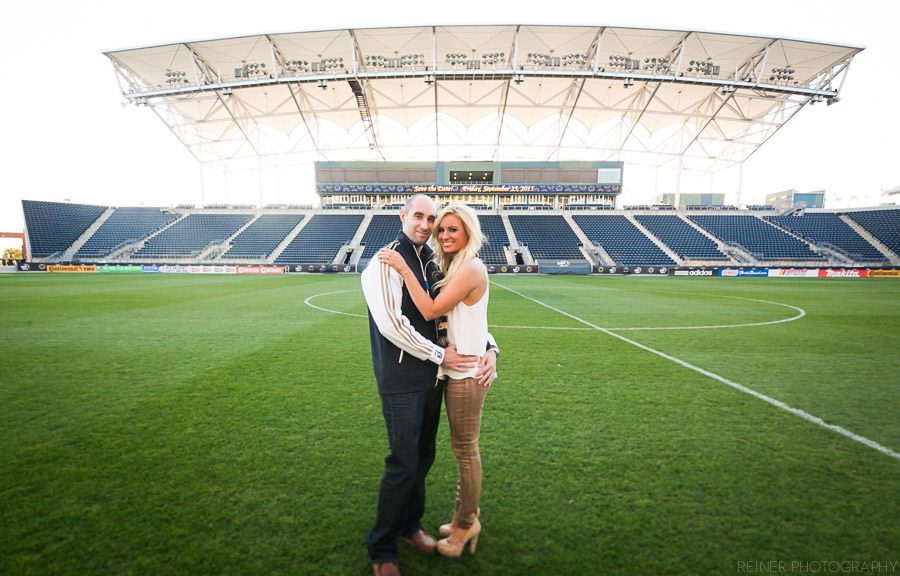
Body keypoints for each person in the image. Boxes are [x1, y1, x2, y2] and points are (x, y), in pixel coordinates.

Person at [361, 195, 498, 576]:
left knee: (423, 458)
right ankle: (382, 547)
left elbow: (458, 317)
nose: (426, 225)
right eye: (419, 216)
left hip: (434, 378)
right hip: (403, 378)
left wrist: (490, 348)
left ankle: (409, 526)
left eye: (432, 220)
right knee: (403, 463)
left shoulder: (432, 262)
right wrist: (439, 357)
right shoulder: (386, 262)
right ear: (403, 216)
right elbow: (393, 325)